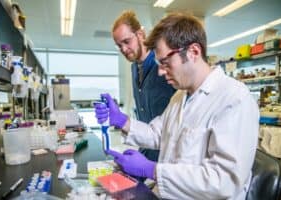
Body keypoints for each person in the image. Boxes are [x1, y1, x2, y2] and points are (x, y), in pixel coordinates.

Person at [95, 13, 259, 199]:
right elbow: (158, 133)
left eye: (165, 63)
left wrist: (153, 170)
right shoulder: (180, 96)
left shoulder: (234, 99)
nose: (160, 71)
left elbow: (224, 181)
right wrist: (122, 121)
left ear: (193, 52)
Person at [112, 11, 176, 165]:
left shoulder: (162, 64)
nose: (124, 49)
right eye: (119, 45)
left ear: (140, 34)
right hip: (147, 147)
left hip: (169, 154)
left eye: (127, 41)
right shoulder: (134, 68)